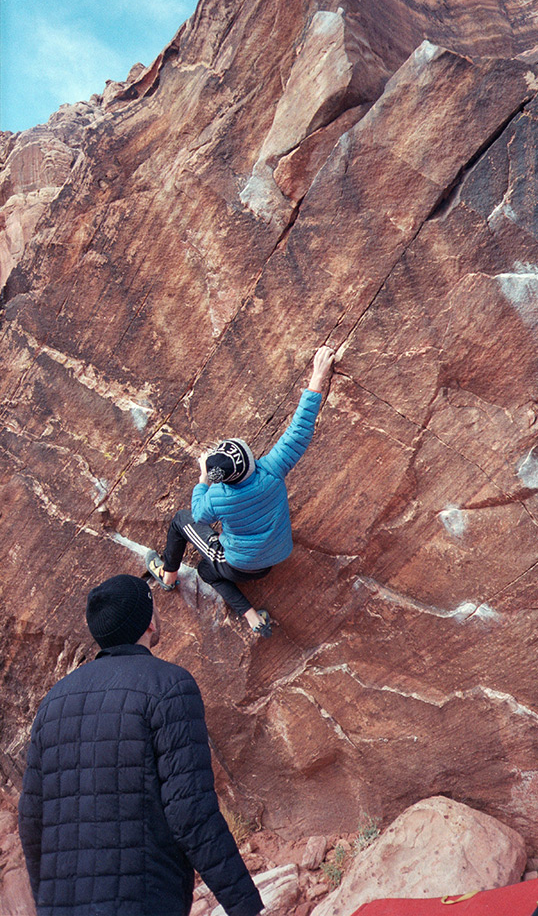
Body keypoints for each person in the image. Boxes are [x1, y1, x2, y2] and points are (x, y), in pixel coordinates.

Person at [18, 574, 263, 916]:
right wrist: (244, 904)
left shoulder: (54, 702)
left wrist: (48, 899)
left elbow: (31, 820)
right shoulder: (169, 686)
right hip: (143, 900)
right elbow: (190, 812)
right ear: (149, 623)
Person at [146, 345, 335, 638]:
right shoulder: (273, 468)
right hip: (274, 556)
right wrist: (317, 377)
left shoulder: (219, 496)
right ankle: (252, 617)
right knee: (206, 571)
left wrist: (202, 480)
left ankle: (167, 577)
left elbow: (197, 514)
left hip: (240, 564)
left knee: (181, 524)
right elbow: (299, 432)